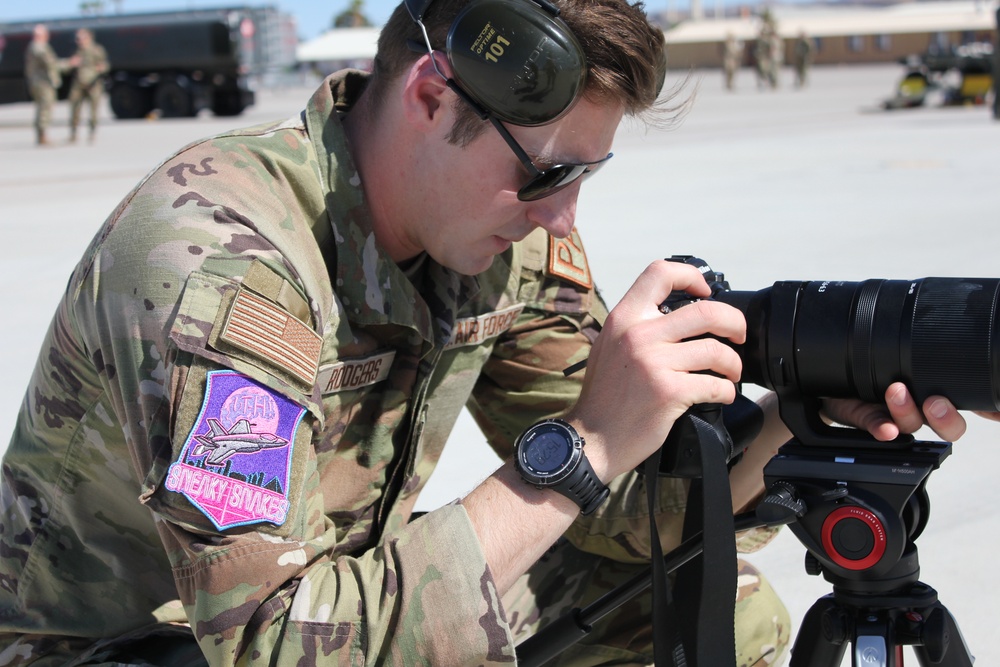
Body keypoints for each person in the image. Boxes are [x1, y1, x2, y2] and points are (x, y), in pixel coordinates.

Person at [0, 0, 988, 664]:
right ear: (432, 96)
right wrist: (584, 447)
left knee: (698, 592)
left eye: (585, 179)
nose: (562, 217)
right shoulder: (223, 274)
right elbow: (272, 643)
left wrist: (786, 425)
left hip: (334, 607)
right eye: (549, 172)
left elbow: (621, 514)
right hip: (145, 641)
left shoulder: (499, 236)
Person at [22, 24, 68, 146]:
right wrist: (68, 64)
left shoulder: (35, 47)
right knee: (45, 107)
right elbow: (50, 63)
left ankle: (41, 135)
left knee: (42, 108)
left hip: (38, 82)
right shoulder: (39, 47)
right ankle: (42, 136)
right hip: (42, 83)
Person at [67, 28, 109, 143]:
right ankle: (73, 134)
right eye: (77, 39)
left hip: (93, 83)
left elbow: (105, 65)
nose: (78, 41)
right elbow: (69, 66)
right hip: (78, 83)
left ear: (89, 37)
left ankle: (92, 133)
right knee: (75, 109)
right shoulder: (76, 51)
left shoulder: (97, 50)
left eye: (81, 38)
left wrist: (100, 68)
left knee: (93, 110)